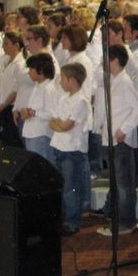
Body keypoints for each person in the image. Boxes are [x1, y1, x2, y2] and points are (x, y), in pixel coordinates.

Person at [95, 45, 138, 237]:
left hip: (120, 141)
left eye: (106, 59)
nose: (102, 63)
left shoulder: (124, 82)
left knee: (124, 184)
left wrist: (124, 129)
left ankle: (126, 222)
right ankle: (120, 218)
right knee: (117, 182)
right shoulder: (113, 81)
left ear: (115, 61)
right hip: (111, 139)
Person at [49, 62, 91, 234]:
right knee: (61, 185)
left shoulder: (81, 101)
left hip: (72, 149)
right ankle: (63, 216)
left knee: (71, 187)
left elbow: (66, 125)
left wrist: (60, 124)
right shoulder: (63, 98)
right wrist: (60, 124)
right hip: (59, 146)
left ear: (72, 80)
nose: (60, 82)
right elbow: (53, 121)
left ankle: (72, 220)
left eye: (63, 79)